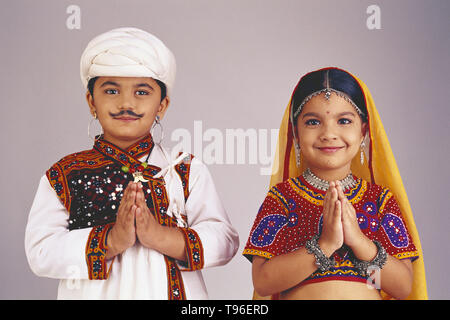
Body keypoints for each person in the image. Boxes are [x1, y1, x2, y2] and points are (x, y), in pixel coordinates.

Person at [25, 27, 239, 299]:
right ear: (91, 101)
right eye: (112, 90)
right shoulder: (66, 173)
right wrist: (112, 240)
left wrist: (158, 235)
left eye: (142, 92)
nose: (126, 103)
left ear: (162, 105)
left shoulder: (184, 170)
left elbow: (225, 241)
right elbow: (40, 252)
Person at [243, 67, 427, 300]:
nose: (329, 133)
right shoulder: (283, 199)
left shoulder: (379, 200)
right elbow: (263, 283)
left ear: (363, 132)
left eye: (343, 120)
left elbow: (402, 288)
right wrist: (324, 245)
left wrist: (360, 242)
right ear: (296, 134)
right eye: (312, 122)